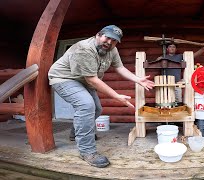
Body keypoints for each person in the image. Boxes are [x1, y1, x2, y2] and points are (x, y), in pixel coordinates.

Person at [48, 25, 154, 168]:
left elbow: (119, 67)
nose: (109, 42)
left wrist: (137, 79)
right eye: (107, 37)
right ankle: (87, 151)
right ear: (98, 35)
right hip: (64, 78)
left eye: (114, 40)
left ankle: (76, 133)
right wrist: (117, 96)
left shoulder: (112, 50)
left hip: (83, 80)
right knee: (86, 105)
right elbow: (92, 79)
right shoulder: (84, 49)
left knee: (97, 109)